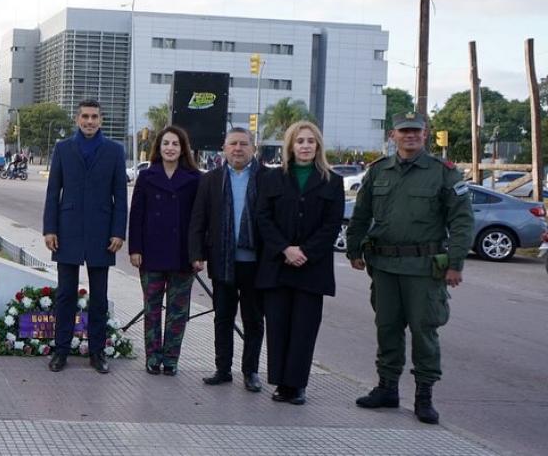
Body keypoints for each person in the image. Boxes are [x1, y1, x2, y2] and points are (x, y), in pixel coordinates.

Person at [346, 112, 472, 425]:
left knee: (424, 331)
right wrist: (354, 249)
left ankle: (424, 396)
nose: (410, 136)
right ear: (393, 135)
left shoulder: (443, 173)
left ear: (425, 135)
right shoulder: (378, 171)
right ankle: (387, 388)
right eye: (404, 132)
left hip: (423, 269)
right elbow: (360, 214)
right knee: (386, 328)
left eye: (416, 131)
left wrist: (455, 263)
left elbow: (462, 220)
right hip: (385, 266)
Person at [254, 121, 344, 405]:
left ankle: (298, 385)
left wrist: (304, 251)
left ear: (318, 146)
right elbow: (263, 218)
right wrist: (285, 249)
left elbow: (331, 225)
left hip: (311, 268)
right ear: (290, 146)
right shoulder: (272, 178)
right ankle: (281, 383)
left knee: (304, 329)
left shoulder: (332, 180)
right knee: (278, 326)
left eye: (310, 141)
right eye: (299, 141)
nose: (305, 146)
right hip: (278, 266)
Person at [42, 99, 127, 374]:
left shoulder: (115, 151)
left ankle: (97, 352)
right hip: (67, 232)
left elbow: (121, 197)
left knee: (99, 298)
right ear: (77, 119)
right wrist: (49, 228)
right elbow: (54, 192)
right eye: (85, 117)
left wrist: (118, 232)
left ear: (101, 120)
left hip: (102, 234)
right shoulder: (63, 149)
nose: (89, 121)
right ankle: (61, 351)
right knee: (65, 294)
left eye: (94, 117)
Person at [189, 127, 267, 392]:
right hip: (222, 261)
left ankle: (251, 371)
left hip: (256, 263)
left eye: (244, 144)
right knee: (223, 318)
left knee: (254, 320)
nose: (238, 148)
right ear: (224, 148)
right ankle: (223, 369)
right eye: (233, 143)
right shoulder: (210, 180)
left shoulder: (267, 178)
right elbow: (199, 219)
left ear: (253, 149)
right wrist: (197, 253)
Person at [128, 125, 201, 376]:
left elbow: (199, 221)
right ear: (158, 147)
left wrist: (198, 254)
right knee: (152, 309)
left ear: (183, 149)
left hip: (183, 255)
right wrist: (135, 248)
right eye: (166, 143)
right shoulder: (147, 177)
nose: (170, 148)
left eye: (175, 144)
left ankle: (171, 359)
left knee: (179, 311)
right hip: (150, 253)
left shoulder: (194, 179)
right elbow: (136, 214)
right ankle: (152, 357)